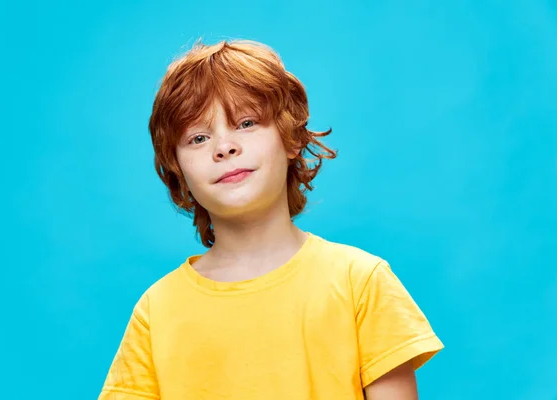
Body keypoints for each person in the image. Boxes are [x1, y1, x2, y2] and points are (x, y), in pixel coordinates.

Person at [99, 39, 443, 400]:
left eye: (246, 123)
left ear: (291, 138)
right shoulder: (156, 311)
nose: (224, 147)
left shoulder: (362, 282)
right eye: (198, 137)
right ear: (178, 171)